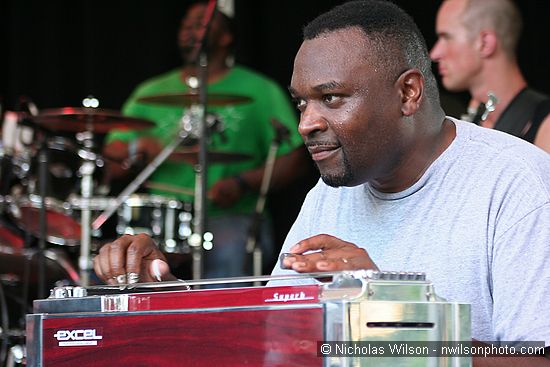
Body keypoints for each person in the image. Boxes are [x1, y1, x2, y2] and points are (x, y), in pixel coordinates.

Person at [94, 0, 550, 364]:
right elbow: (271, 333)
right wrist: (164, 292)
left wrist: (394, 313)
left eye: (331, 98)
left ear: (407, 93)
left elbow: (536, 359)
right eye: (301, 104)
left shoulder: (517, 183)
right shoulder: (330, 193)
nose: (306, 124)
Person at [102, 1, 307, 279]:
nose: (189, 31)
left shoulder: (259, 90)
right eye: (185, 25)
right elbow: (111, 161)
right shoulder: (150, 92)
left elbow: (294, 158)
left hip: (231, 215)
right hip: (161, 218)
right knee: (124, 262)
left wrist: (243, 183)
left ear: (226, 36)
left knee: (231, 253)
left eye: (199, 24)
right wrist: (137, 148)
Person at [430, 0, 550, 153]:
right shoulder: (465, 122)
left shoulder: (546, 127)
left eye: (446, 37)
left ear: (485, 43)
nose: (434, 53)